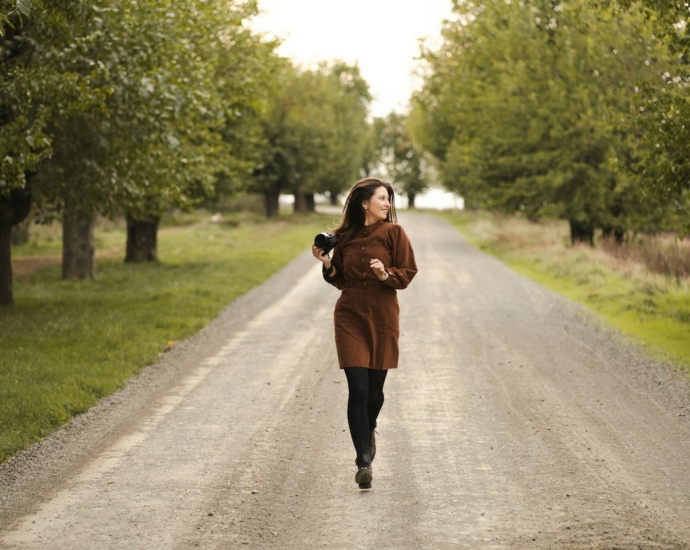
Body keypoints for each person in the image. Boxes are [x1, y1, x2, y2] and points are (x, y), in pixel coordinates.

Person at [311, 177, 417, 489]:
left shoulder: (394, 233)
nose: (387, 204)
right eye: (382, 198)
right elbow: (339, 279)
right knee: (357, 388)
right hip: (350, 315)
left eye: (389, 200)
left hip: (383, 316)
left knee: (374, 391)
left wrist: (386, 274)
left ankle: (369, 426)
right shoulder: (342, 236)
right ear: (364, 202)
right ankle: (362, 460)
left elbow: (407, 273)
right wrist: (327, 262)